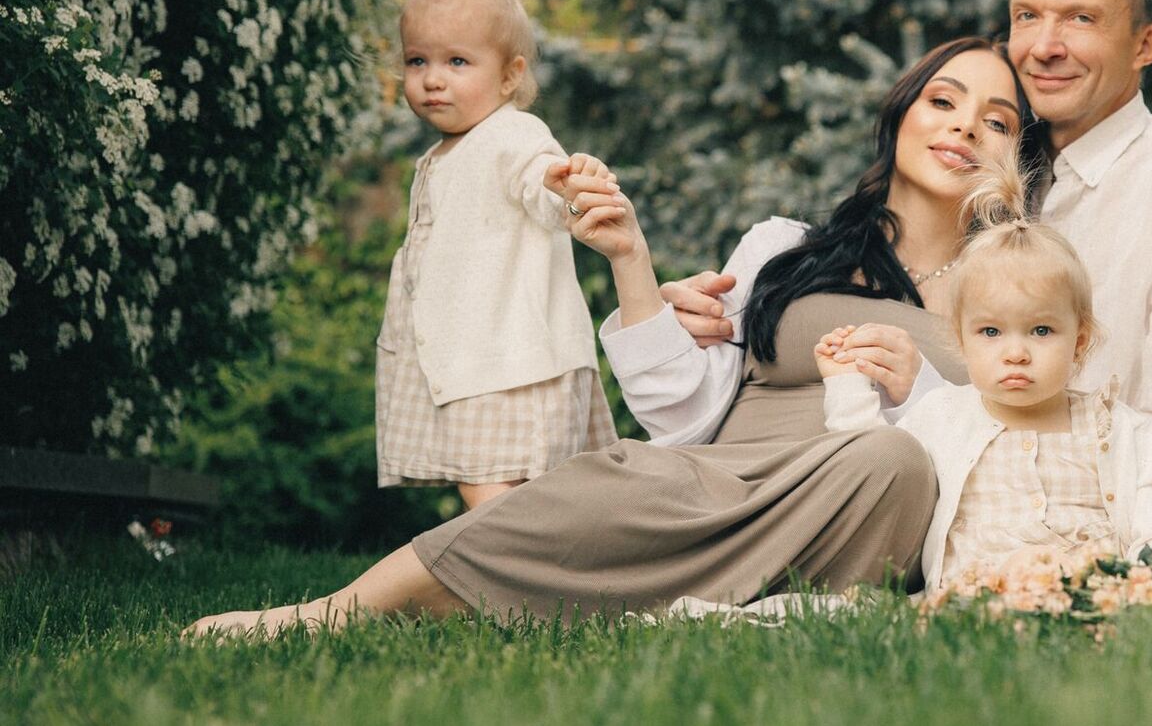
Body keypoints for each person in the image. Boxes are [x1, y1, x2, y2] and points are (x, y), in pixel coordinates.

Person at [183, 37, 1051, 636]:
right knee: (623, 475)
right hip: (712, 482)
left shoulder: (1008, 288)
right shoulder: (785, 248)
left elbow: (1017, 451)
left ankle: (647, 595)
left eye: (997, 120)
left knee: (889, 461)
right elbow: (681, 416)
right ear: (902, 115)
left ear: (1018, 158)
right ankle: (330, 611)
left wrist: (925, 393)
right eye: (942, 100)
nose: (965, 126)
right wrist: (633, 262)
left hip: (856, 502)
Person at [662, 0, 1152, 576]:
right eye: (1027, 15)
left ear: (1145, 44)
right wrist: (698, 326)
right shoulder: (977, 165)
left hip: (1091, 554)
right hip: (949, 540)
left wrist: (1151, 573)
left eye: (1080, 19)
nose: (1044, 46)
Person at [817, 143, 1152, 590]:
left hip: (1099, 588)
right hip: (986, 591)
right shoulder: (944, 417)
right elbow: (870, 462)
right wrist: (846, 384)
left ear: (1079, 343)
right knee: (1026, 569)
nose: (1016, 353)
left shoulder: (1113, 426)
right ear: (962, 340)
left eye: (1040, 331)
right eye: (991, 333)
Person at [376, 0, 615, 509]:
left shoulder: (512, 134)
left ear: (511, 76)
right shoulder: (438, 156)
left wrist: (564, 184)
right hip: (474, 358)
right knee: (495, 493)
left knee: (495, 499)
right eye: (417, 61)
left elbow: (539, 179)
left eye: (458, 62)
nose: (432, 79)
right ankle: (529, 584)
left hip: (512, 361)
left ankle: (508, 588)